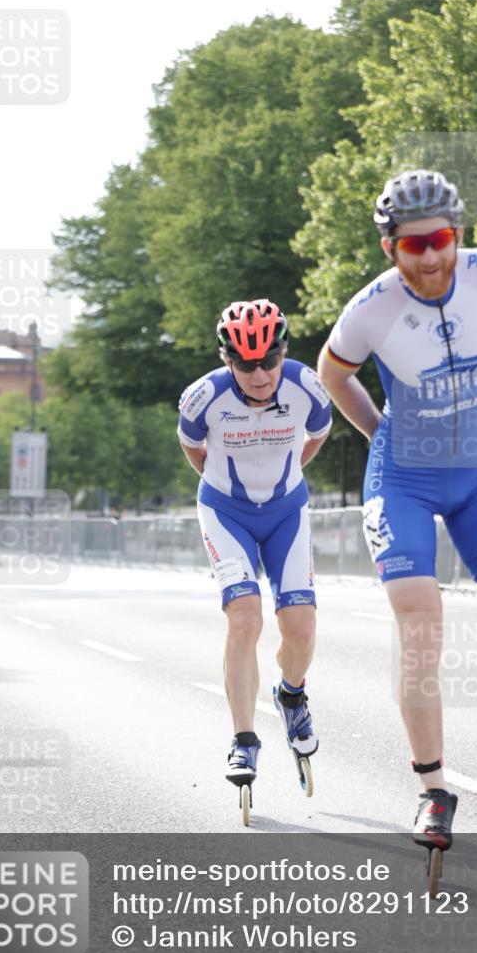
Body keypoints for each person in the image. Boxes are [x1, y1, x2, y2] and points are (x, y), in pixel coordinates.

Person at [317, 169, 477, 852]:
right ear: (390, 249)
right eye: (413, 246)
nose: (430, 256)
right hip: (403, 479)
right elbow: (332, 375)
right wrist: (380, 429)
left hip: (474, 473)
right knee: (420, 624)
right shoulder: (369, 309)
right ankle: (433, 787)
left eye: (440, 240)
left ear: (459, 235)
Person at [177, 299, 332, 802]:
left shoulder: (307, 386)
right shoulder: (203, 399)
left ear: (284, 351)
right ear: (227, 360)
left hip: (287, 510)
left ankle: (290, 693)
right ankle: (244, 738)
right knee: (245, 619)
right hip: (226, 512)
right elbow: (193, 450)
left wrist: (287, 475)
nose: (260, 373)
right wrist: (225, 487)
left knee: (301, 628)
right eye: (246, 364)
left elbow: (317, 435)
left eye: (270, 359)